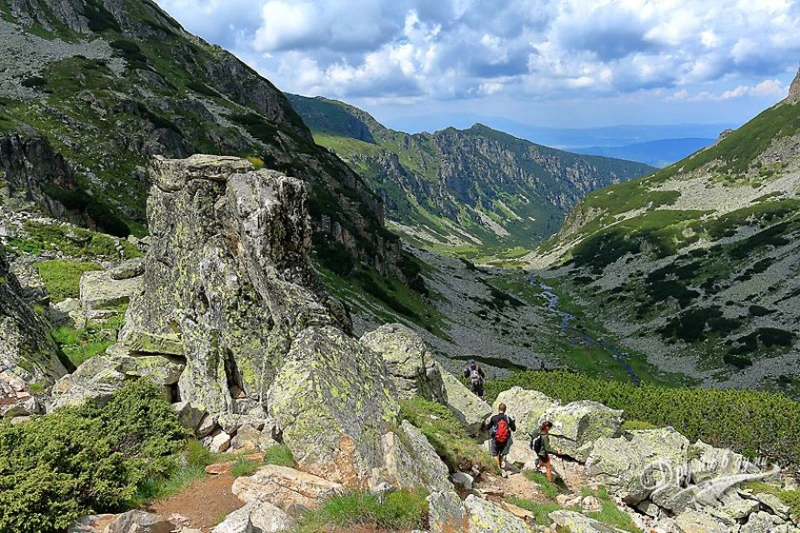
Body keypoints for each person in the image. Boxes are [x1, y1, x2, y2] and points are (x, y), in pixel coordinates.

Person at [487, 403, 516, 477]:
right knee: (501, 453)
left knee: (494, 453)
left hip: (495, 438)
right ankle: (500, 465)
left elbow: (488, 427)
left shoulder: (494, 418)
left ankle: (498, 468)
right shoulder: (508, 419)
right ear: (505, 410)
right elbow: (514, 429)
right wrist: (513, 422)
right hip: (505, 439)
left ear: (498, 409)